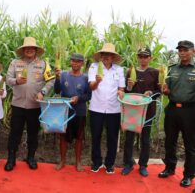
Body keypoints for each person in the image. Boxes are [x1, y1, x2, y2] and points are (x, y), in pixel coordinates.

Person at [4, 36, 55, 171]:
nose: (29, 50)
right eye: (27, 48)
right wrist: (16, 81)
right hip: (18, 105)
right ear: (23, 50)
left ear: (36, 50)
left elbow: (51, 80)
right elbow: (8, 79)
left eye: (32, 48)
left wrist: (43, 92)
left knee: (33, 132)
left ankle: (31, 157)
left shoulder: (43, 64)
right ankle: (11, 159)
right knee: (15, 133)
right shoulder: (15, 63)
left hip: (35, 105)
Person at [158, 40, 195, 188]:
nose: (182, 52)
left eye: (186, 50)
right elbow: (167, 90)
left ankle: (188, 175)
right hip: (172, 109)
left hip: (190, 111)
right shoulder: (172, 69)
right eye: (180, 50)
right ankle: (169, 168)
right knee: (170, 141)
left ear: (193, 51)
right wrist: (165, 90)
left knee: (190, 144)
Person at [121, 48, 160, 177]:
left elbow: (159, 91)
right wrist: (129, 87)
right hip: (132, 110)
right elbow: (126, 91)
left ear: (150, 58)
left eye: (145, 56)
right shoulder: (130, 71)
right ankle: (128, 164)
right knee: (129, 138)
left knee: (145, 140)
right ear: (138, 57)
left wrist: (151, 93)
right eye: (140, 56)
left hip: (148, 111)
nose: (143, 59)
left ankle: (143, 165)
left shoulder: (155, 72)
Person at [88, 43, 125, 174]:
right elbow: (91, 87)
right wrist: (97, 81)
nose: (106, 57)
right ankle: (96, 162)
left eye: (109, 55)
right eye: (104, 54)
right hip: (96, 108)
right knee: (96, 136)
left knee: (112, 137)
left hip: (114, 109)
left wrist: (121, 92)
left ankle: (110, 164)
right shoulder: (94, 67)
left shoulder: (119, 70)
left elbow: (121, 88)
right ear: (101, 56)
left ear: (113, 57)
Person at [54, 53, 91, 171]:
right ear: (70, 62)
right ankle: (62, 161)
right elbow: (57, 90)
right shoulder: (63, 75)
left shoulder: (85, 78)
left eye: (78, 61)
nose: (75, 63)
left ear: (82, 63)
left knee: (79, 138)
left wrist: (78, 99)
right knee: (63, 137)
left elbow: (88, 96)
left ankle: (78, 162)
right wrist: (57, 78)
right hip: (65, 111)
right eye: (73, 61)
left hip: (80, 112)